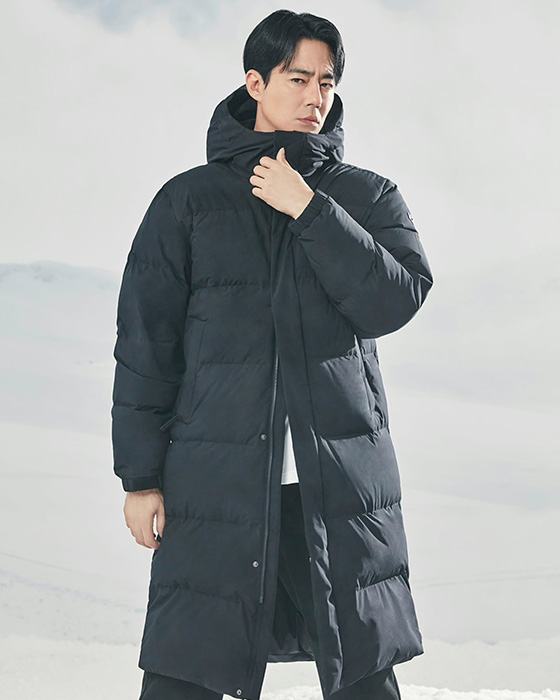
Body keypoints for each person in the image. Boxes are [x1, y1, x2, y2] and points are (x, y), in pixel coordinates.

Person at [111, 9, 433, 700]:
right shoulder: (187, 202)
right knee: (184, 671)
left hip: (338, 487)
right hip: (217, 484)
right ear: (255, 83)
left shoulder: (367, 195)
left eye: (327, 81)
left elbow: (396, 300)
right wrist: (140, 478)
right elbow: (146, 346)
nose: (316, 96)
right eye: (298, 79)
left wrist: (311, 209)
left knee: (362, 674)